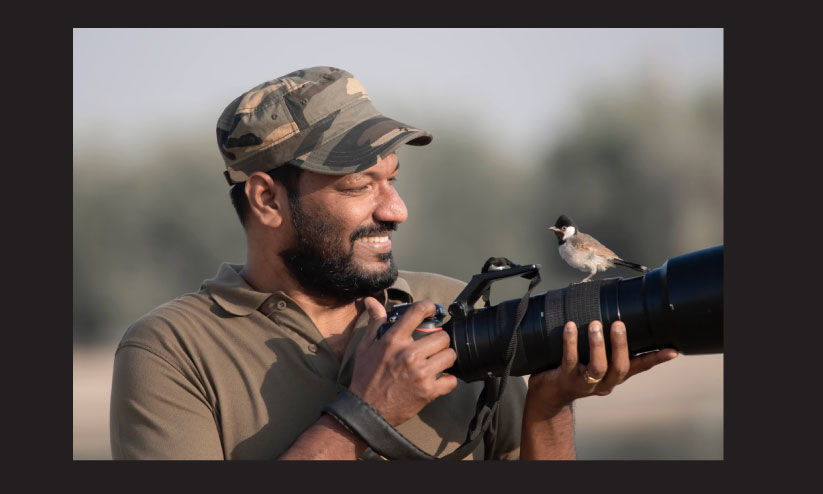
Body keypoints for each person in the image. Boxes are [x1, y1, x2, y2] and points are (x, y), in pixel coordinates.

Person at [109, 66, 678, 460]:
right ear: (267, 200)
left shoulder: (455, 308)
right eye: (360, 184)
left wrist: (549, 408)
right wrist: (361, 413)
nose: (396, 210)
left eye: (393, 181)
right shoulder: (170, 353)